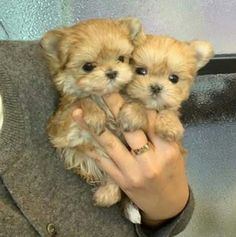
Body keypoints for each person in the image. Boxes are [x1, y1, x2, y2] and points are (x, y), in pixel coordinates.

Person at [0, 41, 193, 236]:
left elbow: (161, 171)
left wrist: (167, 208)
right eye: (142, 71)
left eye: (173, 78)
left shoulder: (47, 58)